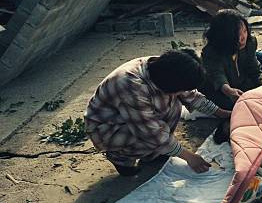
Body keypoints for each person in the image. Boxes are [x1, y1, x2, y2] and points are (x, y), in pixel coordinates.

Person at [84, 49, 231, 176]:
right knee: (150, 136)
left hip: (135, 117)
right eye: (178, 89)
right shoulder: (131, 86)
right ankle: (120, 158)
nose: (181, 92)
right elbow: (151, 133)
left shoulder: (166, 66)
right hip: (108, 127)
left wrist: (223, 113)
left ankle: (155, 153)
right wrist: (189, 157)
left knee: (173, 106)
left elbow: (191, 96)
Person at [200, 9, 262, 110]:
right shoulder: (211, 52)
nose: (243, 38)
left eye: (245, 31)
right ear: (225, 37)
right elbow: (217, 75)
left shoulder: (250, 42)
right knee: (235, 106)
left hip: (242, 81)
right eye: (237, 34)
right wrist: (228, 90)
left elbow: (255, 68)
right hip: (220, 89)